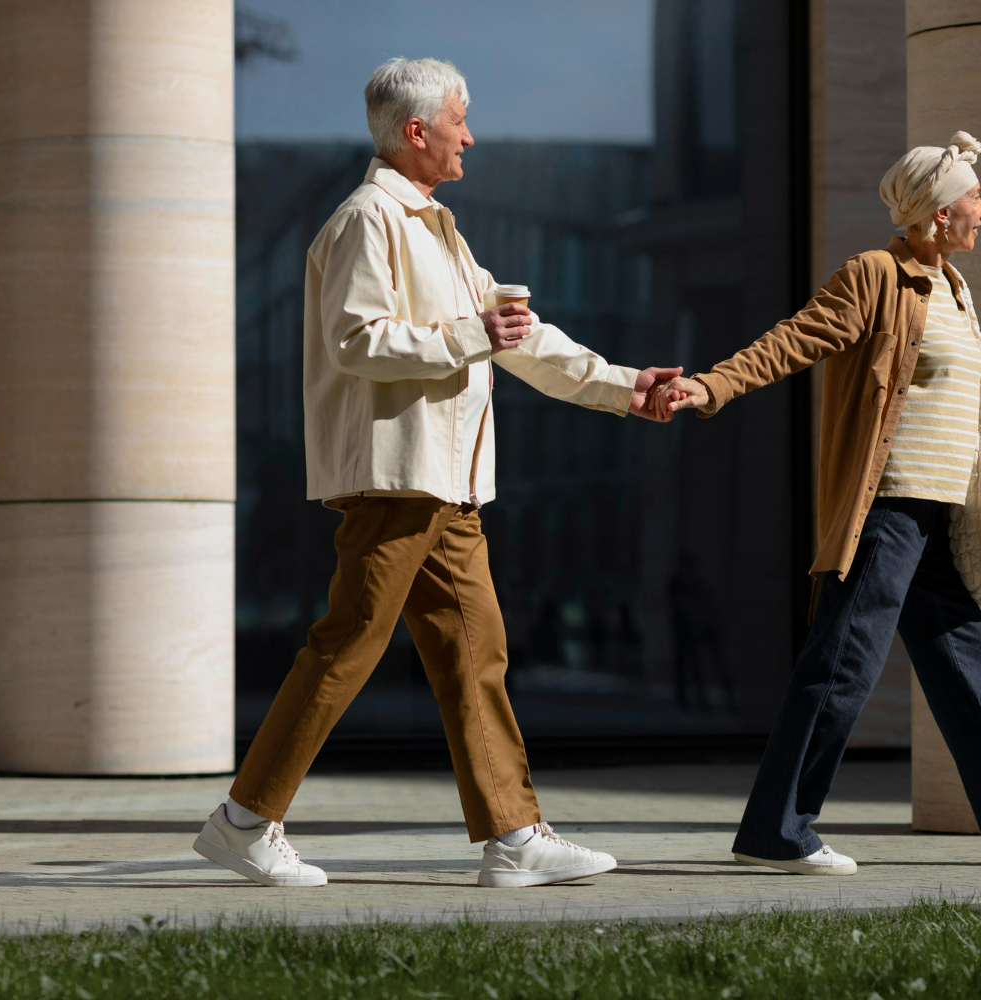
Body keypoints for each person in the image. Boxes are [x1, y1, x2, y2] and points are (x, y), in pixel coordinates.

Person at [193, 57, 681, 889]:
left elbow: (522, 337)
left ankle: (515, 838)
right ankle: (244, 821)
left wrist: (623, 387)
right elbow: (359, 342)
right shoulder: (365, 222)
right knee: (348, 647)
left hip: (445, 485)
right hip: (396, 477)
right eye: (461, 119)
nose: (472, 134)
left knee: (473, 651)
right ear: (416, 131)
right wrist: (469, 335)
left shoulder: (436, 228)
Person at [651, 132, 981, 872]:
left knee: (962, 655)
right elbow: (795, 338)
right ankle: (776, 832)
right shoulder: (875, 276)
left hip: (938, 509)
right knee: (842, 663)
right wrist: (711, 384)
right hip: (887, 507)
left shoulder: (952, 284)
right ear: (940, 213)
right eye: (976, 197)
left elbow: (966, 400)